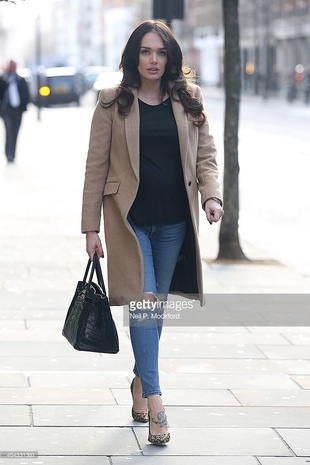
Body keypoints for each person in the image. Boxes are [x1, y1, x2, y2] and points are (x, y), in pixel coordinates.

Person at [81, 19, 224, 445]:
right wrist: (91, 227)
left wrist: (211, 197)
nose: (154, 60)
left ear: (171, 57)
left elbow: (206, 154)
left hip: (176, 222)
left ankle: (140, 381)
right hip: (129, 223)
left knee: (155, 308)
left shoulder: (188, 99)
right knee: (143, 304)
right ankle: (158, 401)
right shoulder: (112, 103)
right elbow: (95, 168)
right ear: (133, 56)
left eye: (161, 52)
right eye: (146, 52)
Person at [0, 60, 30, 163]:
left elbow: (26, 94)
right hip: (7, 110)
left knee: (16, 132)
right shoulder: (3, 79)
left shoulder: (20, 80)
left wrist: (24, 106)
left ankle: (13, 153)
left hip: (18, 110)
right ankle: (8, 154)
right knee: (9, 131)